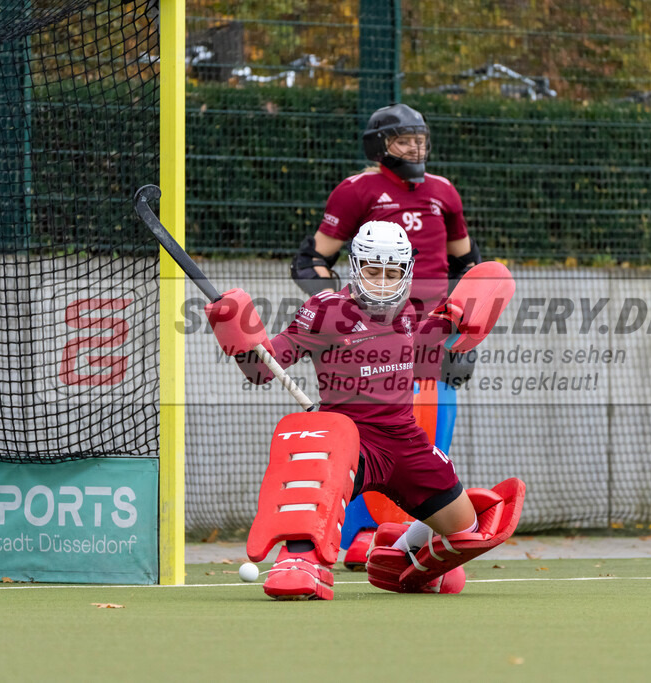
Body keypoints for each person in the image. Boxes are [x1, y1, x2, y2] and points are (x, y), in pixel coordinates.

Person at [206, 221, 523, 600]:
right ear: (355, 267)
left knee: (466, 529)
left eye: (393, 273)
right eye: (373, 271)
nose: (383, 282)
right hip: (350, 442)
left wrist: (459, 317)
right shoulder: (325, 311)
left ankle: (400, 550)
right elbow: (263, 368)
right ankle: (299, 560)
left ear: (407, 272)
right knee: (312, 486)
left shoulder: (412, 311)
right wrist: (240, 335)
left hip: (405, 444)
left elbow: (431, 338)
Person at [290, 103, 482, 568]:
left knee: (423, 446)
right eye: (403, 139)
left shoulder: (444, 193)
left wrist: (465, 334)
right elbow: (310, 260)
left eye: (420, 138)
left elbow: (468, 267)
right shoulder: (357, 191)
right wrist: (344, 319)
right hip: (370, 342)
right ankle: (356, 534)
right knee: (362, 442)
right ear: (379, 146)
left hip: (429, 340)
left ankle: (407, 536)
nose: (416, 147)